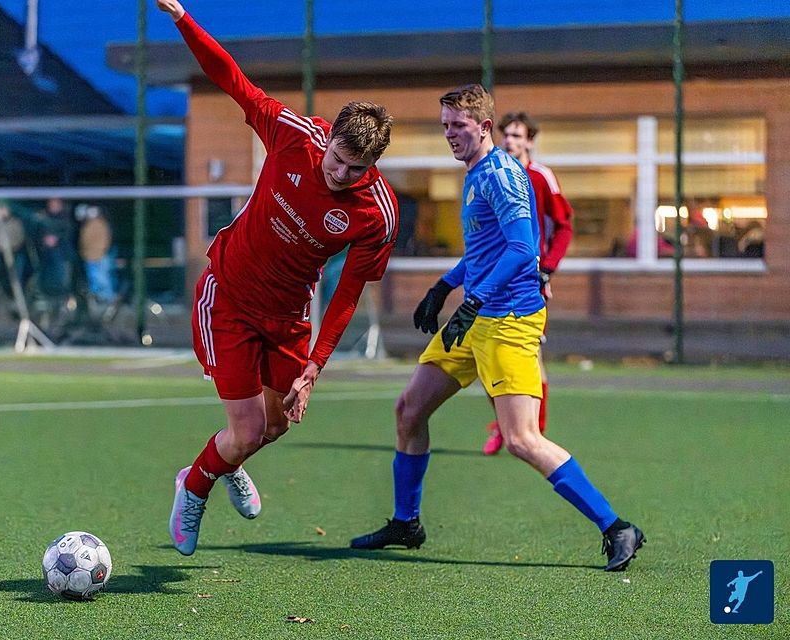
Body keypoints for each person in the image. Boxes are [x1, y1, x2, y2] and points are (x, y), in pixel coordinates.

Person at [350, 85, 644, 572]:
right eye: (444, 126)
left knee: (522, 439)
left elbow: (522, 250)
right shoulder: (474, 174)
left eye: (458, 126)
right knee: (409, 409)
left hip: (508, 320)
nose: (450, 135)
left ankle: (617, 527)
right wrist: (444, 286)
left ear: (484, 128)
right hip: (476, 316)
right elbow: (487, 250)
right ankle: (407, 522)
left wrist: (476, 298)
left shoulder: (502, 175)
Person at [158, 0, 398, 556]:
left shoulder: (377, 214)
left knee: (276, 424)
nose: (339, 173)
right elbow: (231, 79)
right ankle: (195, 485)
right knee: (244, 431)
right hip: (230, 299)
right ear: (330, 135)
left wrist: (315, 366)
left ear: (373, 167)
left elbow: (347, 295)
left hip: (289, 317)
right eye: (337, 157)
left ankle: (227, 458)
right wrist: (182, 18)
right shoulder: (293, 134)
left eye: (354, 169)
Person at [480, 112, 574, 455]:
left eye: (518, 136)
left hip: (527, 283)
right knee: (486, 356)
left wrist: (547, 268)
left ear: (530, 141)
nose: (510, 141)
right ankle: (506, 426)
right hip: (491, 280)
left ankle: (533, 430)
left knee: (529, 356)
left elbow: (564, 226)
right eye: (507, 135)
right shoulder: (492, 174)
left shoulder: (540, 177)